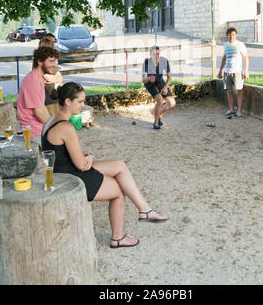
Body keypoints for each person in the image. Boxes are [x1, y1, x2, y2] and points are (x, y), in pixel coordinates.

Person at [41, 82, 168, 248]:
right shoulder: (66, 127)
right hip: (68, 177)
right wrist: (90, 158)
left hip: (62, 170)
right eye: (79, 102)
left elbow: (67, 155)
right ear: (67, 101)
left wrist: (86, 158)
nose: (83, 105)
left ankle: (145, 209)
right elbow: (82, 165)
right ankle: (118, 237)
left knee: (119, 165)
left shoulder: (51, 119)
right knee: (117, 190)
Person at [17, 46, 60, 142]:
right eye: (51, 61)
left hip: (38, 128)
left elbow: (42, 108)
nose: (54, 65)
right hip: (34, 132)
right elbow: (39, 113)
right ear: (40, 61)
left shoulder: (38, 78)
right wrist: (54, 128)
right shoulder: (33, 81)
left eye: (55, 61)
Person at [218, 27, 249, 118]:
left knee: (239, 90)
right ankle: (231, 109)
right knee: (229, 91)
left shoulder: (240, 45)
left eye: (233, 35)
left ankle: (239, 111)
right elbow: (224, 58)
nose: (231, 36)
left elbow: (245, 58)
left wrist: (246, 70)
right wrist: (220, 71)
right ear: (227, 35)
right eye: (230, 35)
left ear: (236, 35)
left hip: (237, 72)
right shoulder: (226, 45)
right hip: (227, 71)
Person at [142, 46, 176, 130]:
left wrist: (166, 87)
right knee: (160, 100)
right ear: (150, 55)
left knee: (172, 103)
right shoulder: (146, 62)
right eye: (154, 54)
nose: (156, 56)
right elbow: (143, 79)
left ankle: (158, 116)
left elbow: (169, 77)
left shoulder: (164, 61)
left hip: (160, 82)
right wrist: (149, 78)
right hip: (150, 83)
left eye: (158, 54)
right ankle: (155, 123)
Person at [38, 37, 63, 116]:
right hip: (46, 98)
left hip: (54, 96)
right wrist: (53, 78)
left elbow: (59, 78)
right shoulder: (39, 62)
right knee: (49, 120)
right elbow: (47, 77)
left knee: (56, 118)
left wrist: (51, 79)